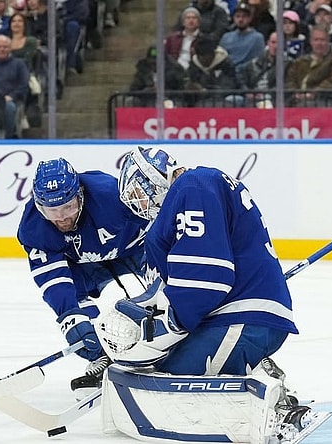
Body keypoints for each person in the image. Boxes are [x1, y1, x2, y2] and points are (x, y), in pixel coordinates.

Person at [100, 147, 316, 443]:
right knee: (168, 366)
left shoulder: (192, 186)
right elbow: (191, 274)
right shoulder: (201, 186)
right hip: (241, 311)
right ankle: (259, 372)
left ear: (156, 176)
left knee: (172, 378)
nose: (142, 203)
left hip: (241, 317)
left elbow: (207, 278)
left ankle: (275, 405)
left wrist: (171, 324)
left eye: (141, 191)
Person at [16, 158, 150, 393]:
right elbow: (53, 279)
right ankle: (105, 356)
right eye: (52, 210)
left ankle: (158, 348)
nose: (62, 217)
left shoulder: (112, 196)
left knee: (144, 300)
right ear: (39, 207)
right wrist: (70, 316)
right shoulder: (34, 227)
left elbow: (158, 225)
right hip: (80, 267)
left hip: (131, 251)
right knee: (82, 322)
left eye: (68, 207)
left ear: (80, 194)